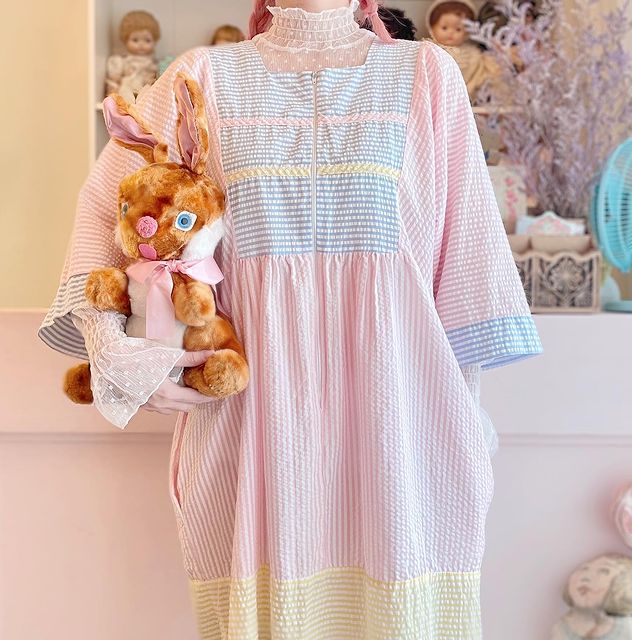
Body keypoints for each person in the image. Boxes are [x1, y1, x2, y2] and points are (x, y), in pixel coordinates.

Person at [39, 0, 543, 636]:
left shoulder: (426, 74)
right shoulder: (202, 77)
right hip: (251, 428)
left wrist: (468, 424)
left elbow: (467, 264)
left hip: (402, 434)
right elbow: (104, 206)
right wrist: (114, 350)